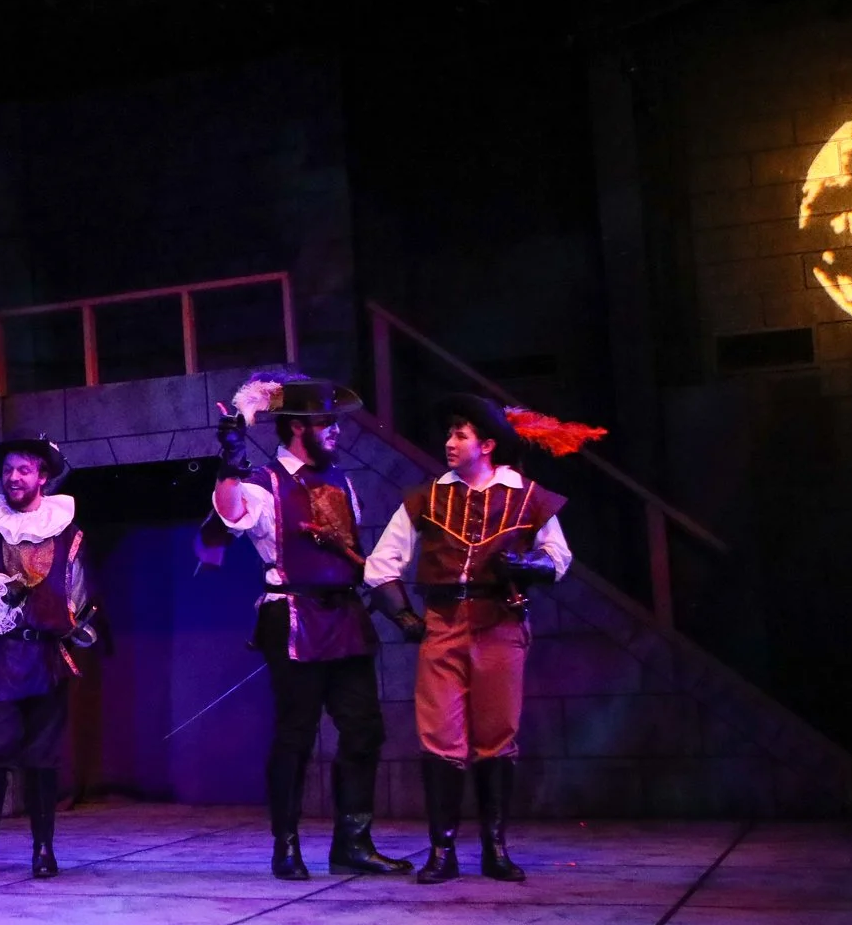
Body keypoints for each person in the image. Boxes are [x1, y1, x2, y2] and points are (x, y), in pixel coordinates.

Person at [363, 392, 600, 884]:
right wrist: (406, 618)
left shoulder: (525, 495)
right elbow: (381, 564)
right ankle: (442, 851)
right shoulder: (428, 497)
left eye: (461, 435)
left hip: (500, 624)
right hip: (444, 623)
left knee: (496, 736)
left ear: (487, 445)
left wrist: (528, 564)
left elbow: (558, 557)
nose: (449, 443)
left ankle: (495, 848)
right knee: (439, 738)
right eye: (449, 434)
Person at [206, 375, 411, 881]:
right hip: (293, 615)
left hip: (345, 615)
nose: (336, 431)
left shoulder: (342, 481)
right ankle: (287, 845)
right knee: (295, 734)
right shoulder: (264, 483)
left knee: (364, 729)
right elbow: (230, 517)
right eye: (326, 423)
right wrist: (231, 457)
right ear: (298, 427)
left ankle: (353, 844)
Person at [0, 434, 98, 883]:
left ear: (42, 477)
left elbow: (81, 595)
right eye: (9, 470)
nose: (13, 477)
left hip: (47, 658)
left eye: (23, 470)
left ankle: (44, 849)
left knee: (44, 757)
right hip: (0, 659)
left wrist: (72, 621)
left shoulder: (68, 533)